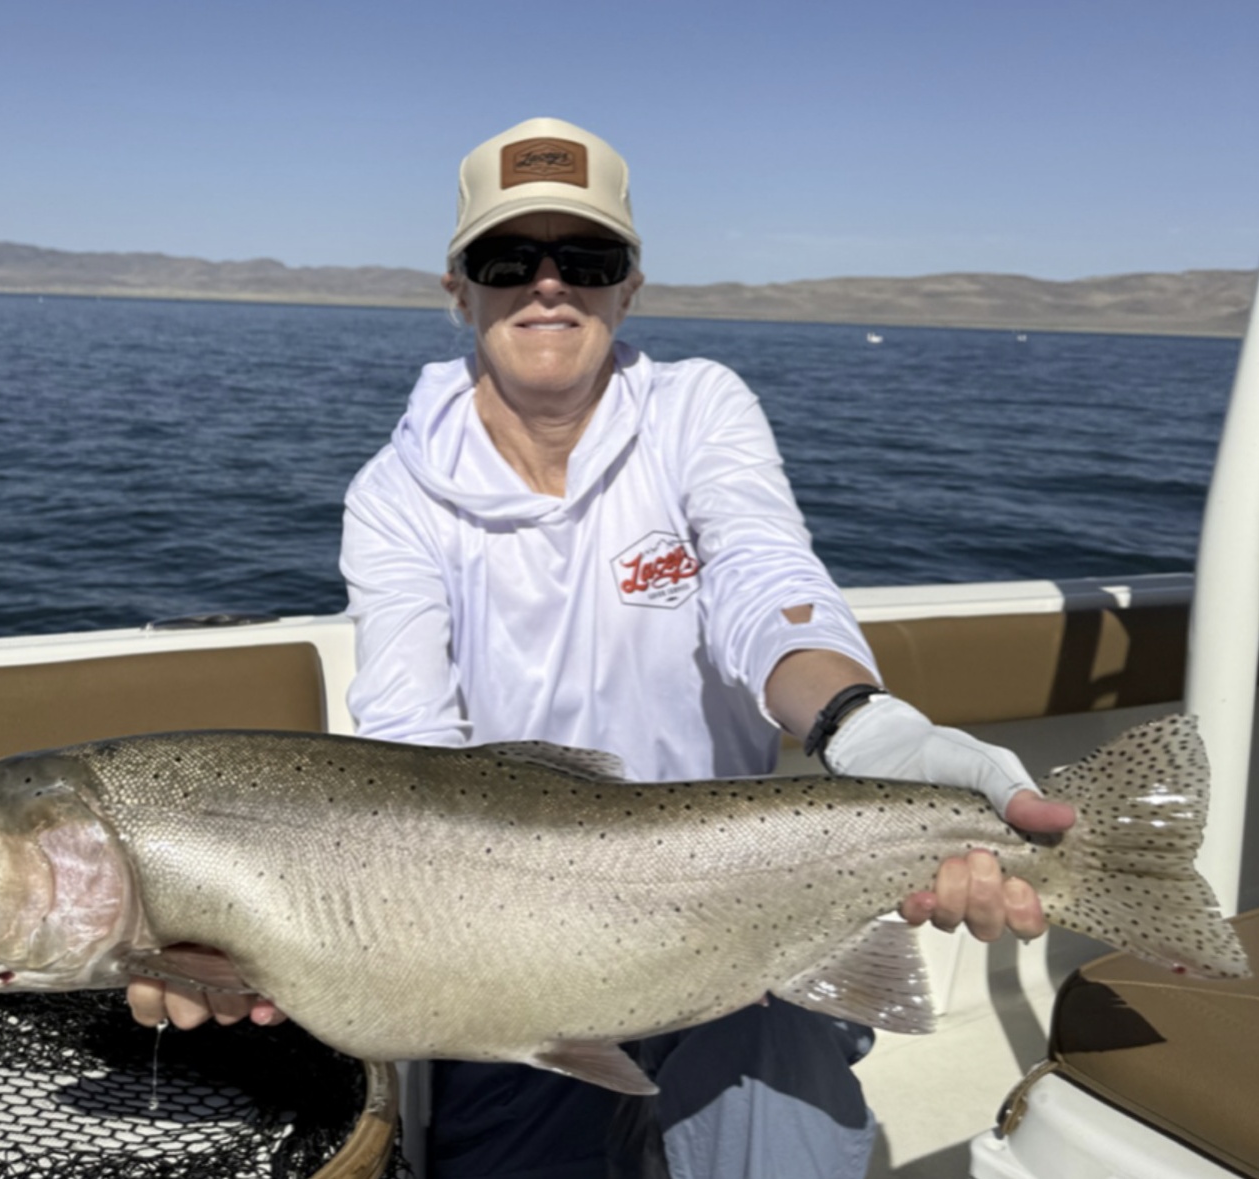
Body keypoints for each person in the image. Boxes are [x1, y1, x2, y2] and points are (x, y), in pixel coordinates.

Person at [130, 117, 1075, 1179]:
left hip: (741, 912)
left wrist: (867, 724)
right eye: (506, 261)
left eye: (585, 260)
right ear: (458, 290)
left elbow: (765, 590)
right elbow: (404, 737)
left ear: (628, 289)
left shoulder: (699, 412)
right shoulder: (393, 496)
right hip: (502, 947)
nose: (547, 288)